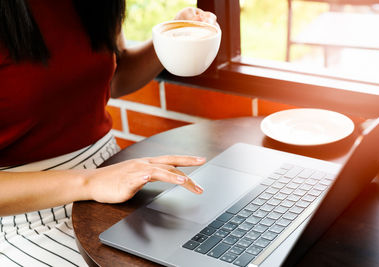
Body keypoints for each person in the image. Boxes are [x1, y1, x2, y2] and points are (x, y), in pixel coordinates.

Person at [0, 1, 217, 266]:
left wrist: (173, 39)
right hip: (24, 213)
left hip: (113, 175)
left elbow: (115, 77)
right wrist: (90, 182)